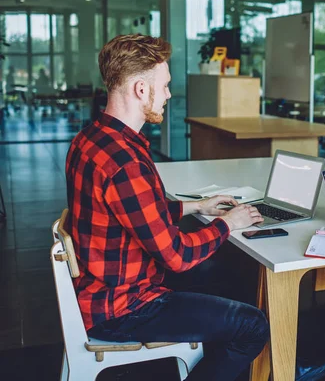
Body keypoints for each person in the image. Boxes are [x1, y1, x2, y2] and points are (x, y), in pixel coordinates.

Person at [64, 34, 269, 381]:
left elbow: (131, 216)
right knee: (252, 325)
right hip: (126, 308)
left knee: (230, 274)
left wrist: (197, 207)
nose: (170, 95)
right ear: (141, 89)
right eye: (166, 85)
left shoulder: (90, 140)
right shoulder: (125, 162)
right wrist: (227, 224)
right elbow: (176, 256)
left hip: (100, 290)